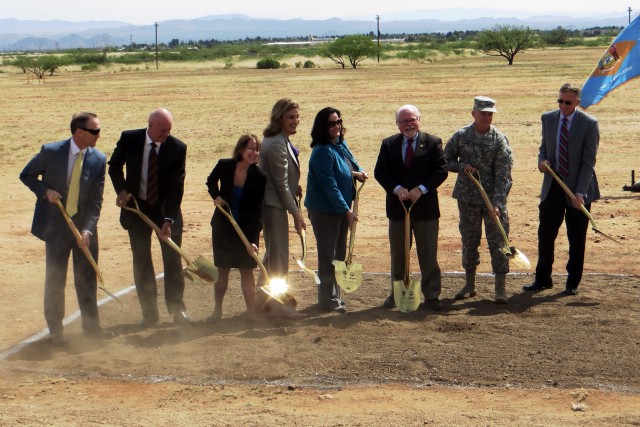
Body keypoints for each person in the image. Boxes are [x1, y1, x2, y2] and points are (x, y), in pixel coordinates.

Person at [20, 112, 111, 344]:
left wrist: (88, 230)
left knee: (88, 278)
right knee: (55, 278)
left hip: (85, 230)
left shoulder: (99, 159)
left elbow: (96, 201)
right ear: (78, 132)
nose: (99, 135)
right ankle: (56, 331)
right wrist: (45, 192)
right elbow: (27, 175)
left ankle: (91, 328)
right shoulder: (50, 152)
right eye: (95, 131)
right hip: (56, 227)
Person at [108, 108, 191, 327]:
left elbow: (176, 187)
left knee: (172, 260)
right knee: (142, 260)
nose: (166, 134)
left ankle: (177, 309)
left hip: (165, 209)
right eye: (163, 130)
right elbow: (114, 166)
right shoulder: (130, 139)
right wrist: (122, 191)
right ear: (150, 126)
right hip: (136, 208)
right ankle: (149, 314)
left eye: (169, 130)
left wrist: (169, 220)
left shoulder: (176, 147)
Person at [524, 83, 600, 296]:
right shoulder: (548, 119)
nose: (563, 105)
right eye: (560, 101)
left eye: (567, 102)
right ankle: (542, 279)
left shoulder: (589, 124)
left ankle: (572, 282)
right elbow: (543, 148)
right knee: (546, 235)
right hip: (553, 186)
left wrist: (580, 193)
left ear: (577, 102)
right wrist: (542, 162)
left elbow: (588, 163)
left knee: (576, 238)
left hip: (578, 189)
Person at [374, 105, 448, 311]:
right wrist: (397, 189)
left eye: (412, 120)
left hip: (426, 211)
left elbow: (441, 171)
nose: (409, 124)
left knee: (428, 255)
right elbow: (380, 172)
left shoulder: (433, 142)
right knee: (398, 255)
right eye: (404, 121)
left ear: (419, 120)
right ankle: (397, 294)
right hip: (398, 210)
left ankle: (432, 296)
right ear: (397, 124)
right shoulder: (388, 144)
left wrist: (421, 189)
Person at [444, 96, 513, 304]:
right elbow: (445, 160)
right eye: (483, 113)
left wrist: (498, 204)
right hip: (467, 199)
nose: (486, 117)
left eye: (490, 114)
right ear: (473, 113)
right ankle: (470, 284)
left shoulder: (499, 140)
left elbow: (504, 176)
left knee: (499, 242)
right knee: (469, 241)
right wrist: (462, 166)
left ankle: (500, 288)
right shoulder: (461, 136)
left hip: (493, 201)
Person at [304, 107, 367, 313]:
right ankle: (327, 300)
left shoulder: (339, 145)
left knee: (338, 254)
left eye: (338, 121)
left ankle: (334, 296)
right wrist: (346, 211)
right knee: (328, 255)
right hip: (325, 212)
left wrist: (355, 174)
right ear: (323, 127)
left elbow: (344, 169)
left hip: (339, 209)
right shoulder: (322, 151)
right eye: (332, 123)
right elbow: (329, 185)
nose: (337, 126)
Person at [206, 134, 266, 323]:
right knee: (222, 269)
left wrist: (254, 241)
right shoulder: (225, 165)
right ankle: (217, 310)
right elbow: (210, 181)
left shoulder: (259, 177)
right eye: (251, 148)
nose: (254, 153)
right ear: (240, 150)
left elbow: (258, 212)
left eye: (257, 149)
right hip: (222, 228)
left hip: (245, 231)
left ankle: (251, 312)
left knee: (246, 270)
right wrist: (216, 196)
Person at [258, 98, 306, 285]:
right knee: (278, 256)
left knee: (272, 254)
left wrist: (295, 187)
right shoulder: (278, 143)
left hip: (272, 203)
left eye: (297, 117)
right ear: (279, 118)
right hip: (273, 204)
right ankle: (279, 305)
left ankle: (262, 301)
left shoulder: (276, 139)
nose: (295, 121)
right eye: (290, 117)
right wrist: (296, 213)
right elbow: (281, 184)